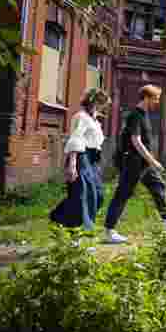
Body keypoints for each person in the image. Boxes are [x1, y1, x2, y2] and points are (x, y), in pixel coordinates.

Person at [103, 84, 166, 244]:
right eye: (155, 98)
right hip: (133, 162)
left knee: (158, 186)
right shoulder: (135, 115)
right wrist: (153, 161)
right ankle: (109, 231)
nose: (157, 102)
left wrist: (149, 161)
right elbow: (136, 141)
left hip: (142, 163)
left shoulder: (144, 114)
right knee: (122, 194)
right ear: (146, 98)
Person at [49, 88, 111, 231]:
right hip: (81, 158)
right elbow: (76, 139)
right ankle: (82, 232)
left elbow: (96, 143)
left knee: (98, 194)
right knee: (84, 195)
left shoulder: (94, 120)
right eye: (102, 104)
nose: (103, 108)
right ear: (94, 102)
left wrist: (96, 164)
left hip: (92, 161)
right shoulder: (80, 117)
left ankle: (58, 216)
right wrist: (72, 164)